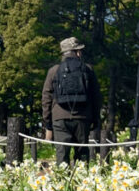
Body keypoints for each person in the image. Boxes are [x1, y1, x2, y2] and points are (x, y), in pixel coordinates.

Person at [42, 37, 101, 165]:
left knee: (62, 156)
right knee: (82, 156)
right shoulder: (88, 69)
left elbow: (46, 98)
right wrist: (95, 119)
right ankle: (81, 182)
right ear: (77, 52)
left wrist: (48, 122)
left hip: (59, 118)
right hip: (83, 117)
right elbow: (96, 97)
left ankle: (63, 183)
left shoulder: (54, 71)